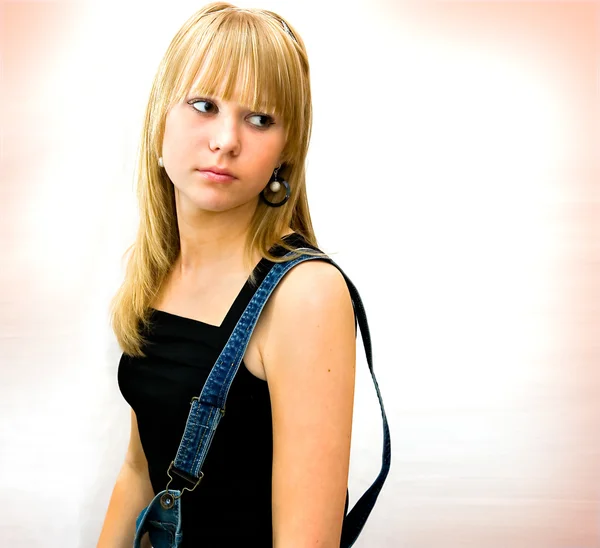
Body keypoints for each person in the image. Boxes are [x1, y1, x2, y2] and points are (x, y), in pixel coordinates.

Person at [97, 3, 382, 547]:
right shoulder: (154, 272)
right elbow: (139, 474)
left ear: (284, 154)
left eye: (259, 119)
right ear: (160, 121)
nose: (226, 139)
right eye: (203, 105)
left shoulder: (305, 295)